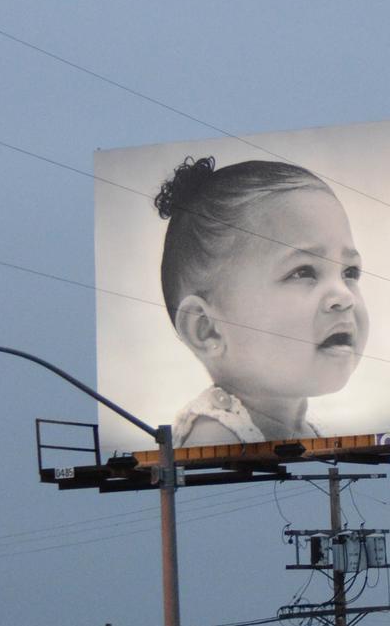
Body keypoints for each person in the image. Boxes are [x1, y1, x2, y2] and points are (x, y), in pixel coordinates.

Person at [155, 156, 369, 447]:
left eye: (349, 272)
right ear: (207, 329)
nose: (343, 296)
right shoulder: (214, 437)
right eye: (302, 272)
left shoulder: (310, 431)